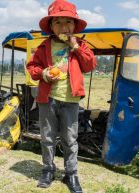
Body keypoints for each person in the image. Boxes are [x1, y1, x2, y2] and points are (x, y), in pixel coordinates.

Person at [26, 0, 96, 192]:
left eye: (68, 22)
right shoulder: (43, 46)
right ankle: (48, 170)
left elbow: (89, 66)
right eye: (58, 22)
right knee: (47, 137)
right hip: (47, 99)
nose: (64, 26)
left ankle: (71, 174)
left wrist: (75, 46)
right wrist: (43, 74)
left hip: (70, 101)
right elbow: (32, 67)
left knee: (70, 139)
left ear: (74, 25)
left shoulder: (81, 45)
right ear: (50, 26)